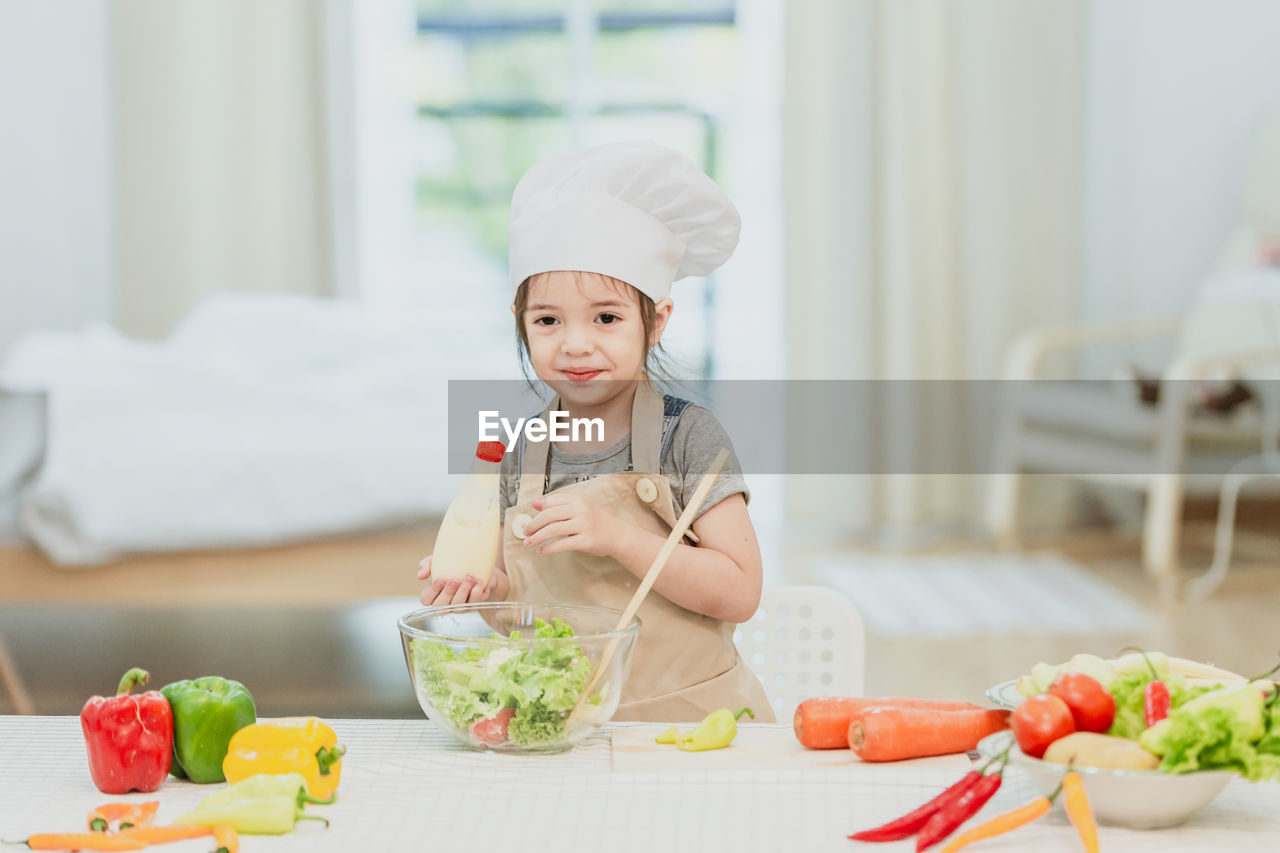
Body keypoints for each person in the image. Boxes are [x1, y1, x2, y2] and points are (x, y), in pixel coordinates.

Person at [418, 141, 774, 723]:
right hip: (567, 731)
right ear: (522, 325)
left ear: (654, 321)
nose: (575, 343)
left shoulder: (688, 438)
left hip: (692, 726)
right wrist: (491, 593)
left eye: (606, 317)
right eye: (548, 320)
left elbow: (740, 592)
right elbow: (529, 621)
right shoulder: (514, 453)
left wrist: (617, 535)